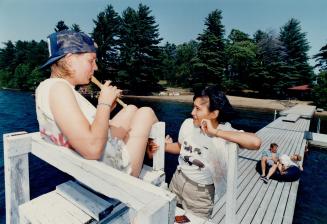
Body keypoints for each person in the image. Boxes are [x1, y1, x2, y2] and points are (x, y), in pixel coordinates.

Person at [35, 30, 158, 177]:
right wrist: (103, 104)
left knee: (131, 108)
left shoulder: (46, 87)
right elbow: (92, 149)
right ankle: (160, 145)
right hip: (113, 171)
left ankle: (150, 143)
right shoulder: (60, 89)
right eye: (91, 60)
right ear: (69, 59)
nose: (96, 67)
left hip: (94, 162)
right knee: (146, 112)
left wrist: (107, 108)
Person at [164, 86, 261, 218]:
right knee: (168, 217)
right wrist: (164, 147)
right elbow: (180, 147)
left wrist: (215, 132)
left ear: (214, 114)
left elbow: (255, 142)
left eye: (198, 109)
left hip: (200, 194)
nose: (192, 112)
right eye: (193, 107)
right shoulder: (188, 124)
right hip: (177, 180)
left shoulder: (225, 132)